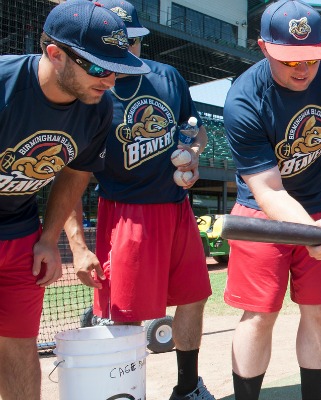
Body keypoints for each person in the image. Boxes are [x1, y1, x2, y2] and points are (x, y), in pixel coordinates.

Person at [221, 0, 321, 398]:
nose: (303, 69)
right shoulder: (243, 99)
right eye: (290, 60)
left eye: (311, 57)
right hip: (263, 214)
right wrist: (309, 232)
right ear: (263, 47)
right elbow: (269, 190)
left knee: (318, 311)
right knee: (258, 315)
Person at [63, 1, 215, 399]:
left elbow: (193, 130)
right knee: (125, 315)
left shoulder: (168, 77)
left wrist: (194, 154)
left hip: (176, 207)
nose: (129, 51)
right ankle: (122, 391)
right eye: (119, 42)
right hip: (126, 212)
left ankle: (186, 388)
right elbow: (70, 178)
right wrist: (76, 245)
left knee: (194, 298)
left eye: (134, 41)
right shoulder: (92, 90)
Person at [0, 2, 149, 399]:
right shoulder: (4, 84)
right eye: (100, 68)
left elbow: (74, 172)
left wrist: (50, 238)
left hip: (18, 231)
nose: (111, 80)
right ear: (56, 54)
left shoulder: (97, 109)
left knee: (18, 347)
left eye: (117, 67)